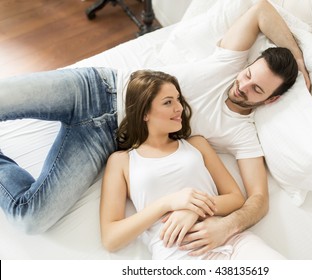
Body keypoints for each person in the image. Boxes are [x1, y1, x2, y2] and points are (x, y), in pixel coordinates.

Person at [0, 0, 310, 247]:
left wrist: (224, 225)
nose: (243, 85)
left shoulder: (243, 134)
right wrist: (298, 60)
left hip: (105, 141)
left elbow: (257, 199)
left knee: (32, 219)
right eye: (249, 75)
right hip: (96, 88)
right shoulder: (227, 64)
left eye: (257, 89)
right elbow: (261, 9)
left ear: (271, 100)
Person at [100, 69, 284, 259]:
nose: (179, 107)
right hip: (177, 254)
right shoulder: (122, 161)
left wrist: (193, 210)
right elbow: (111, 239)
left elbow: (235, 198)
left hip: (229, 240)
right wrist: (167, 203)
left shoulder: (197, 144)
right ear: (144, 113)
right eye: (168, 102)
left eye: (178, 99)